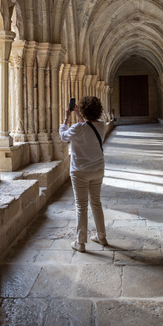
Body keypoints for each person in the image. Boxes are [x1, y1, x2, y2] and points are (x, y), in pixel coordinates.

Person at [59, 96, 107, 252]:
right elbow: (87, 127)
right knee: (96, 203)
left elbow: (64, 136)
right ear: (98, 110)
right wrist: (79, 116)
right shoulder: (102, 125)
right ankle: (101, 236)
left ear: (84, 111)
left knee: (81, 206)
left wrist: (66, 118)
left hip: (80, 171)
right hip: (98, 169)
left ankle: (80, 242)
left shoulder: (77, 128)